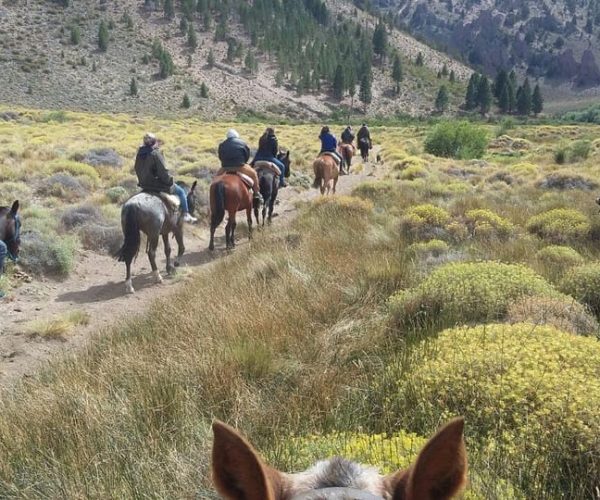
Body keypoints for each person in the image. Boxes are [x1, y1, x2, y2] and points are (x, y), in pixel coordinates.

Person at [134, 133, 197, 223]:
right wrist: (170, 181)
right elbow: (163, 172)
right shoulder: (155, 154)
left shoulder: (139, 154)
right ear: (153, 143)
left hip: (144, 184)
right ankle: (186, 214)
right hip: (157, 185)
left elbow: (137, 169)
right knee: (181, 191)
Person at [217, 129, 262, 203]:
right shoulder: (242, 143)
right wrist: (244, 162)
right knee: (254, 174)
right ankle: (256, 193)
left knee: (215, 179)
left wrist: (225, 163)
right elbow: (247, 154)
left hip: (225, 167)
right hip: (240, 166)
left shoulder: (222, 144)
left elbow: (220, 156)